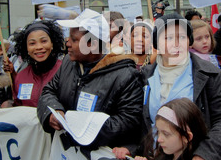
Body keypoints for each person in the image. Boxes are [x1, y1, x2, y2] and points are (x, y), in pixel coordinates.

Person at [114, 13, 221, 160]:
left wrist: (207, 154)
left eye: (182, 37)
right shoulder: (144, 76)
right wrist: (131, 148)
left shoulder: (210, 75)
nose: (176, 44)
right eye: (169, 38)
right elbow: (138, 120)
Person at [37, 9, 143, 150]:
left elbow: (128, 121)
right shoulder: (68, 62)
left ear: (92, 44)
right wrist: (52, 112)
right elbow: (49, 91)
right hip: (67, 157)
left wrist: (80, 127)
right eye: (69, 38)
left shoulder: (126, 76)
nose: (67, 43)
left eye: (74, 40)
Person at [3, 20, 64, 108]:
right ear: (26, 48)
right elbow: (18, 106)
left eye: (43, 41)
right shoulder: (21, 76)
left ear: (52, 44)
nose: (39, 47)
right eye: (32, 43)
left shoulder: (65, 71)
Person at [133, 98, 208, 160]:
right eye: (158, 132)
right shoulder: (160, 159)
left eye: (166, 134)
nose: (159, 139)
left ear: (187, 137)